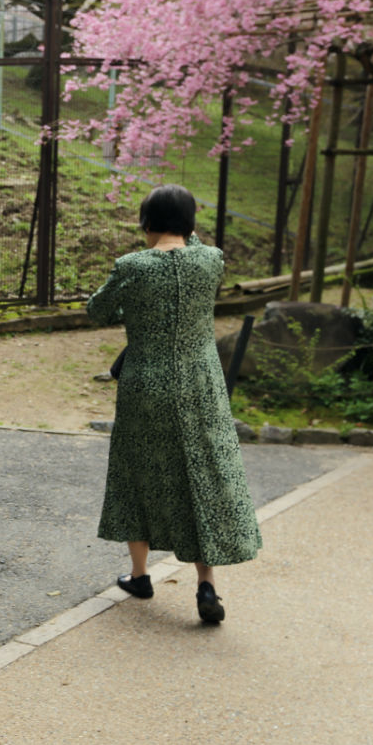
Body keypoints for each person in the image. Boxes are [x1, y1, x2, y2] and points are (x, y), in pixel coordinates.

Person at [86, 184, 261, 624]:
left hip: (146, 384)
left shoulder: (132, 266)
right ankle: (206, 584)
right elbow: (193, 246)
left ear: (146, 222)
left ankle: (140, 575)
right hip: (201, 385)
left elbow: (97, 311)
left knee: (136, 473)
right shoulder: (210, 259)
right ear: (191, 224)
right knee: (201, 474)